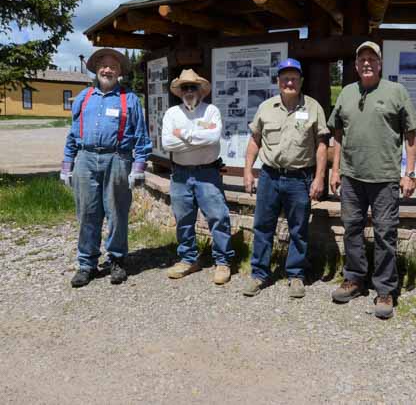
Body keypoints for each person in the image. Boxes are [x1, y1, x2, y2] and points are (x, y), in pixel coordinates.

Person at [329, 41, 416, 319]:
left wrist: (410, 174)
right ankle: (355, 279)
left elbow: (411, 134)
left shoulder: (396, 92)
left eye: (372, 58)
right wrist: (335, 170)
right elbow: (337, 135)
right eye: (362, 59)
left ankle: (385, 290)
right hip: (352, 177)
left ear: (380, 64)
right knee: (352, 229)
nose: (366, 63)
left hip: (384, 179)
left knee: (384, 235)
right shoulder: (346, 93)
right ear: (356, 65)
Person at [60, 48, 152, 287]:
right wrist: (67, 165)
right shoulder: (83, 98)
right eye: (104, 65)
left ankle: (117, 259)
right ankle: (86, 264)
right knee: (87, 213)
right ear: (97, 69)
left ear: (120, 71)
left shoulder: (130, 99)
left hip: (118, 160)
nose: (107, 70)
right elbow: (73, 134)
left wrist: (138, 167)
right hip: (85, 159)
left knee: (117, 213)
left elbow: (142, 137)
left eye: (113, 66)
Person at [242, 58, 329, 298]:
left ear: (301, 81)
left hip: (299, 178)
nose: (289, 82)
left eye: (294, 78)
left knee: (299, 229)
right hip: (270, 176)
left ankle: (295, 275)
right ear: (278, 81)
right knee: (262, 227)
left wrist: (319, 178)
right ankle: (259, 273)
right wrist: (248, 171)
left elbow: (322, 145)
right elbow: (254, 140)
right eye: (285, 78)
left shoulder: (313, 108)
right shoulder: (266, 107)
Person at [161, 69, 234, 284]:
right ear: (179, 91)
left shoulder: (211, 111)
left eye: (193, 87)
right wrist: (198, 137)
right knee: (183, 219)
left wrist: (183, 134)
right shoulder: (171, 113)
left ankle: (223, 262)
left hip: (207, 172)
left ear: (200, 90)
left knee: (218, 217)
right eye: (185, 87)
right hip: (180, 174)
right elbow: (167, 144)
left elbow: (213, 138)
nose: (189, 91)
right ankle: (188, 259)